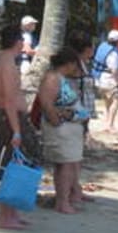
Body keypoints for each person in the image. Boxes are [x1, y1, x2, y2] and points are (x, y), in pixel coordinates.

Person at [38, 35, 95, 215]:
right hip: (62, 129)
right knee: (65, 165)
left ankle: (64, 198)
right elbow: (46, 103)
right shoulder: (53, 78)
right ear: (69, 63)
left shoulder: (58, 78)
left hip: (69, 128)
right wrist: (59, 118)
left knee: (67, 164)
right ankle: (62, 201)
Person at [0, 25, 26, 230]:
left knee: (14, 166)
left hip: (5, 116)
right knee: (11, 168)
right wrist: (17, 130)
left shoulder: (0, 60)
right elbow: (9, 99)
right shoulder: (7, 64)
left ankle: (12, 213)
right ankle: (6, 216)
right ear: (17, 42)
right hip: (8, 118)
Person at [92, 29, 118, 132]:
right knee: (117, 100)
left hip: (98, 79)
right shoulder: (113, 53)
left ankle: (107, 122)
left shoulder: (102, 47)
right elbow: (114, 70)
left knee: (107, 100)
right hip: (108, 79)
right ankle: (110, 125)